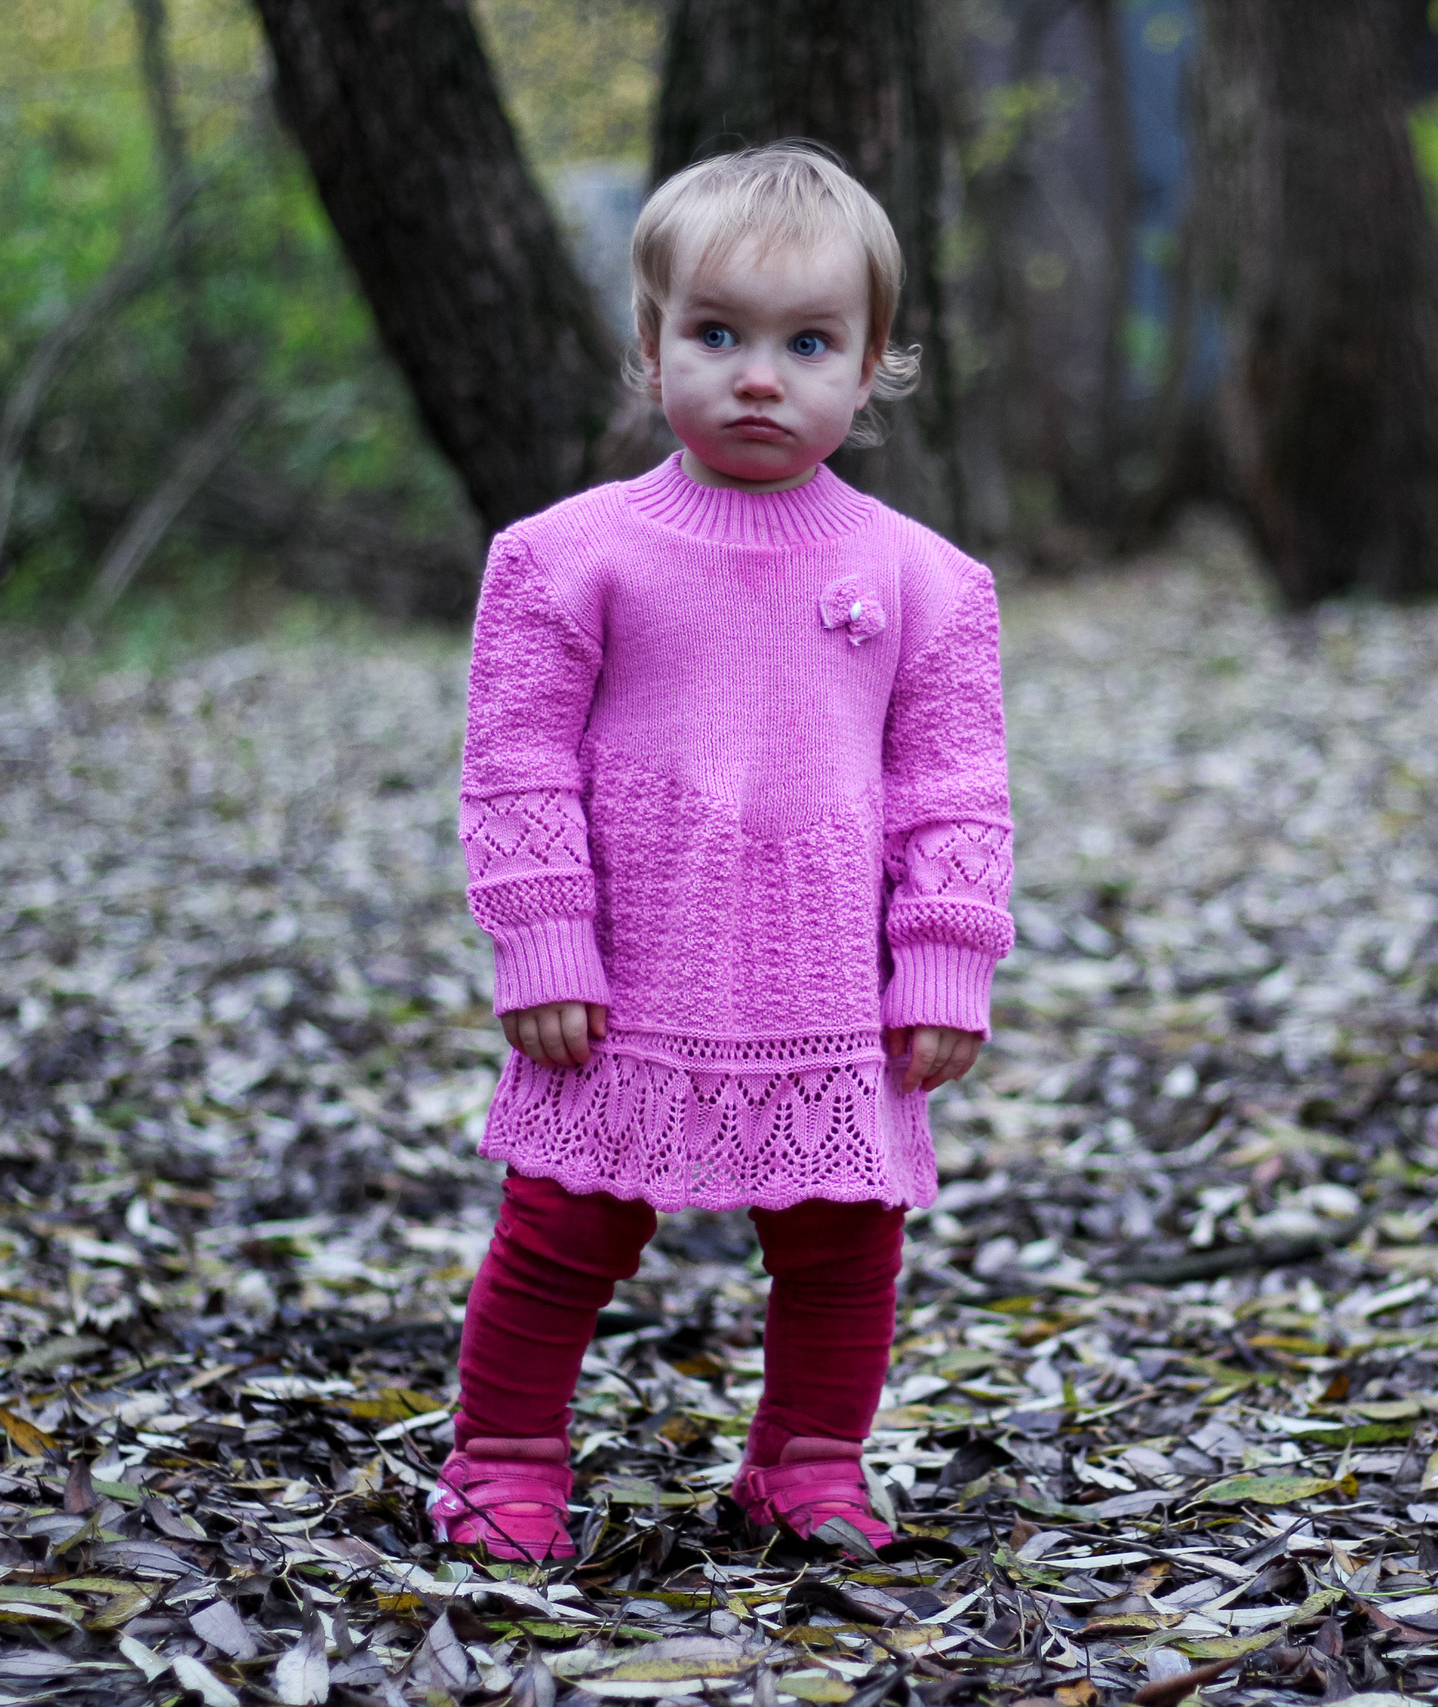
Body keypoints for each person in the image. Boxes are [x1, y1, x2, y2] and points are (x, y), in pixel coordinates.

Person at [429, 142, 1015, 1563]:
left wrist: (944, 962)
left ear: (872, 364)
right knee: (563, 1228)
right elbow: (516, 764)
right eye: (717, 334)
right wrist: (543, 943)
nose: (760, 374)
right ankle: (502, 1460)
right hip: (623, 980)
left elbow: (956, 788)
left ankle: (807, 1463)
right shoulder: (566, 558)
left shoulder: (926, 580)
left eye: (807, 341)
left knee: (841, 1246)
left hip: (830, 986)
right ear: (649, 347)